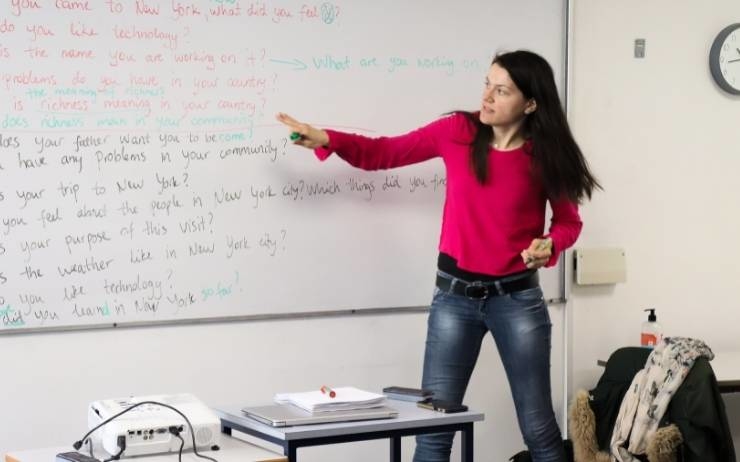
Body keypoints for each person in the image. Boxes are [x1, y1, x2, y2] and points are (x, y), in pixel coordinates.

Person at [277, 50, 601, 462]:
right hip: (454, 300)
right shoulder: (457, 131)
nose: (487, 96)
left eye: (501, 91)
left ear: (531, 103)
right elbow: (385, 153)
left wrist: (550, 244)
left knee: (538, 428)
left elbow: (569, 222)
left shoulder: (544, 156)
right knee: (432, 430)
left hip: (517, 301)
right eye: (487, 84)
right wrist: (329, 139)